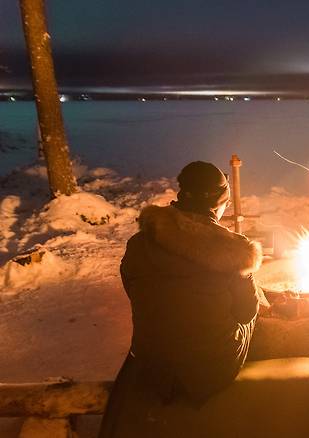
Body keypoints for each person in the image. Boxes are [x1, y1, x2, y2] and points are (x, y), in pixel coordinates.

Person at [100, 161, 263, 437]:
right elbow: (247, 311)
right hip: (209, 370)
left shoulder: (140, 243)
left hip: (151, 365)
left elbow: (132, 287)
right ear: (218, 203)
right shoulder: (234, 251)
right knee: (252, 315)